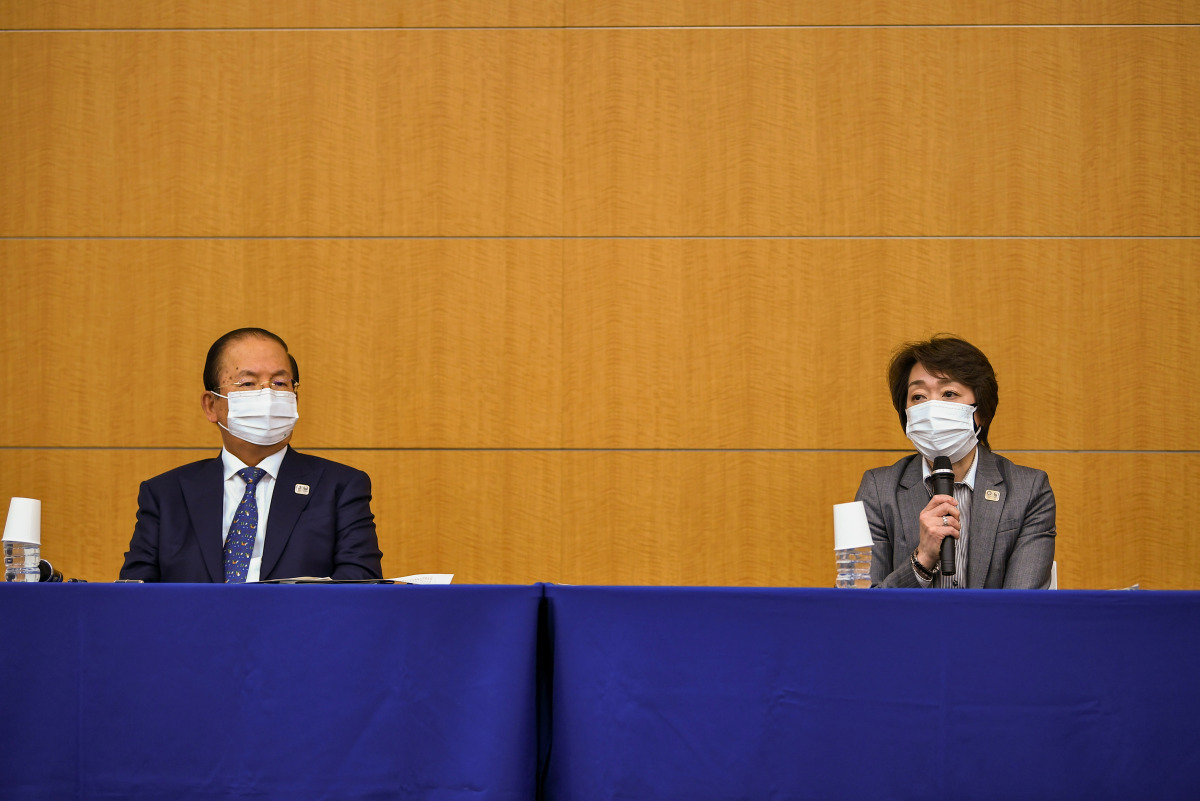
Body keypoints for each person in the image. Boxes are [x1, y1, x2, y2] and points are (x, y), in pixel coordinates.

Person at [120, 328, 383, 582]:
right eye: (247, 383)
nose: (267, 394)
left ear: (294, 400)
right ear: (211, 405)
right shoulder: (165, 495)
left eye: (280, 382)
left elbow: (359, 588)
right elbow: (135, 596)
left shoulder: (340, 488)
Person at [855, 336, 1055, 588]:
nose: (931, 408)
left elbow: (1021, 606)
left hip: (991, 627)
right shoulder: (879, 489)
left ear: (980, 411)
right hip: (908, 628)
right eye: (918, 397)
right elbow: (863, 604)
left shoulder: (1028, 490)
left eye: (949, 393)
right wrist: (923, 559)